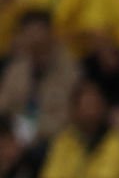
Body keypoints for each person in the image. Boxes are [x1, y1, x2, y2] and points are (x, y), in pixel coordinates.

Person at [0, 8, 80, 145]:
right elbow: (4, 101)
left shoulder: (70, 70)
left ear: (51, 33)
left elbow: (66, 120)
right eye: (29, 33)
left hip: (52, 140)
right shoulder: (16, 69)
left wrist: (25, 128)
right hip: (14, 137)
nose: (34, 38)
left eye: (38, 31)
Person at [38, 78, 119, 178]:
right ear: (74, 109)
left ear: (103, 107)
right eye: (85, 105)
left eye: (94, 105)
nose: (89, 112)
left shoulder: (117, 142)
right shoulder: (64, 140)